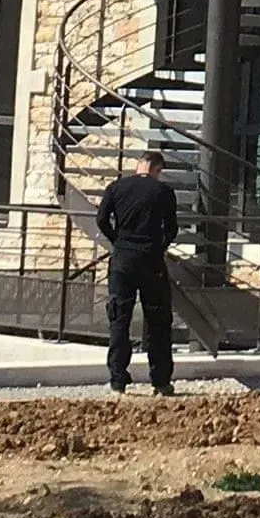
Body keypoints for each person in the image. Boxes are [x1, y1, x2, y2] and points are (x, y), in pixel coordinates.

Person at [97, 149, 179, 395]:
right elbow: (172, 229)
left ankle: (118, 380)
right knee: (158, 321)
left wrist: (117, 241)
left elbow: (101, 219)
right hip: (151, 260)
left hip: (122, 259)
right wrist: (158, 246)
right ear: (157, 168)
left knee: (119, 318)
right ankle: (161, 381)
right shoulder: (163, 192)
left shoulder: (116, 187)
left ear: (138, 165)